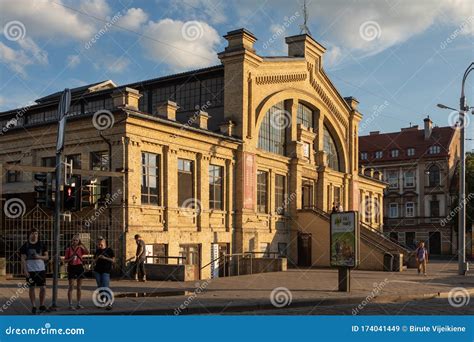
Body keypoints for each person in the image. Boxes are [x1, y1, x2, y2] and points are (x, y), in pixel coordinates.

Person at [20, 228, 48, 314]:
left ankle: (42, 305)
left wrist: (38, 256)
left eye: (36, 233)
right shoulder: (25, 246)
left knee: (43, 288)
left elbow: (47, 257)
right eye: (32, 233)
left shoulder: (42, 244)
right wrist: (25, 270)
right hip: (30, 270)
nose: (34, 235)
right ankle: (34, 306)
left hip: (41, 269)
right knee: (31, 288)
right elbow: (23, 259)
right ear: (29, 234)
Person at [64, 235, 89, 310]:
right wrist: (71, 258)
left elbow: (87, 252)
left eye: (76, 240)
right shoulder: (68, 249)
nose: (75, 241)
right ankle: (70, 304)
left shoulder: (80, 248)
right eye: (74, 240)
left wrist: (82, 244)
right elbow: (65, 260)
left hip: (79, 267)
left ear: (79, 241)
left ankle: (78, 303)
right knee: (71, 286)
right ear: (72, 241)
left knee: (79, 287)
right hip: (71, 267)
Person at [93, 238, 115, 310]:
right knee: (100, 287)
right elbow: (94, 260)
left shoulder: (109, 250)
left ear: (105, 244)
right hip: (97, 270)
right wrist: (97, 258)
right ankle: (103, 301)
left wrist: (105, 258)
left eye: (101, 244)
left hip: (106, 270)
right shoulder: (97, 250)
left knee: (105, 286)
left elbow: (113, 260)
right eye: (99, 244)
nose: (99, 246)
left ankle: (110, 303)